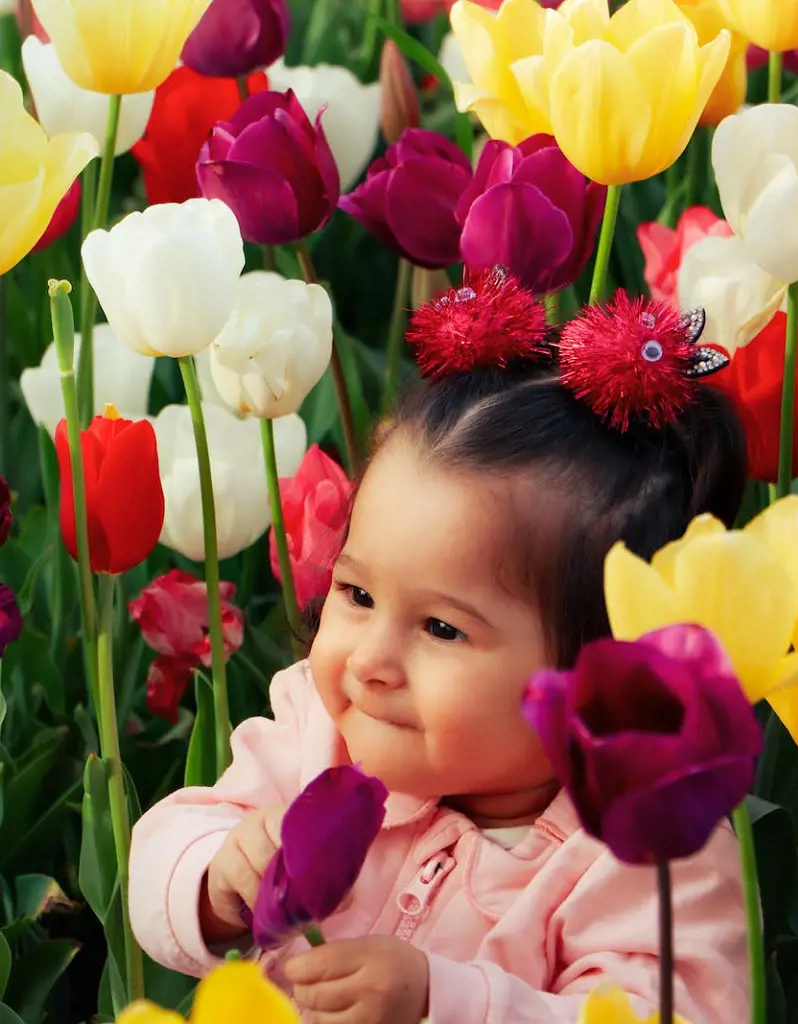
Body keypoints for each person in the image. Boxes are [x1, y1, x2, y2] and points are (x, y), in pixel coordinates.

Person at [129, 271, 751, 1023]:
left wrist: (442, 1001)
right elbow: (169, 838)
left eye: (442, 629)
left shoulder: (643, 852)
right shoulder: (318, 732)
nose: (368, 663)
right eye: (356, 595)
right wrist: (213, 875)